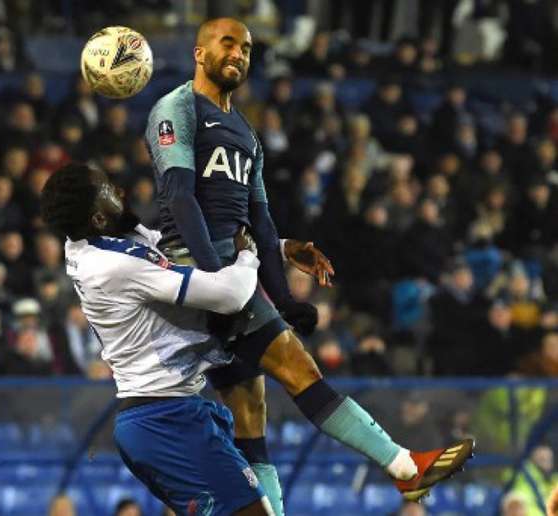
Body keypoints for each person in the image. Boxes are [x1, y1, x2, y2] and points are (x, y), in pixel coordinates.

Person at [145, 17, 472, 513]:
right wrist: (218, 280)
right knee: (298, 367)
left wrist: (284, 296)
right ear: (199, 52)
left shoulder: (246, 134)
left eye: (247, 48)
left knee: (251, 412)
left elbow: (261, 220)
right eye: (227, 43)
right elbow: (181, 199)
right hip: (197, 272)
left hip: (231, 274)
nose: (237, 54)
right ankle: (406, 467)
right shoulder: (176, 108)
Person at [41, 162, 473, 515]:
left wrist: (278, 248)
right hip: (165, 421)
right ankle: (402, 467)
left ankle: (403, 466)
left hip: (170, 414)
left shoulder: (107, 241)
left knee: (256, 428)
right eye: (107, 190)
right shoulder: (108, 266)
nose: (117, 188)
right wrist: (250, 256)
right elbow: (229, 293)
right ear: (98, 216)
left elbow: (183, 250)